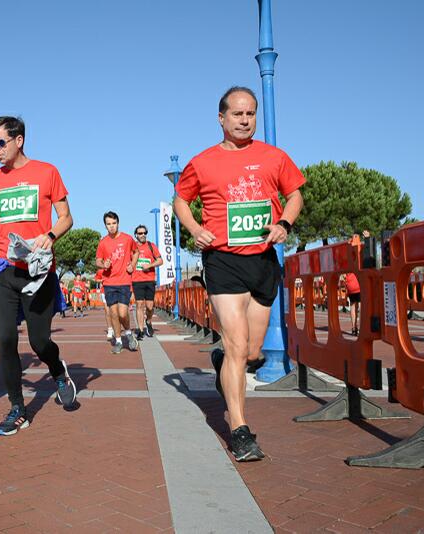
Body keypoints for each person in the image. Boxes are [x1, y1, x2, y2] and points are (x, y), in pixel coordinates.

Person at [173, 86, 305, 461]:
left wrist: (284, 223)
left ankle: (222, 366)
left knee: (250, 351)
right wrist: (196, 229)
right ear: (222, 118)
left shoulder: (274, 157)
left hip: (262, 261)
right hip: (223, 260)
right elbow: (181, 200)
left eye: (251, 114)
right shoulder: (202, 162)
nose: (245, 121)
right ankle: (240, 429)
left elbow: (295, 194)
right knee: (235, 343)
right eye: (237, 114)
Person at [0, 115, 77, 436]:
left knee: (39, 341)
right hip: (5, 270)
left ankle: (58, 370)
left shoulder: (47, 172)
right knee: (5, 339)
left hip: (38, 271)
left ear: (19, 141)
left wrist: (50, 235)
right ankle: (18, 408)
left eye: (1, 142)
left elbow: (66, 218)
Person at [96, 211, 139, 354]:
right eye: (108, 224)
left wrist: (132, 264)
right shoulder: (103, 242)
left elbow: (136, 252)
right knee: (113, 314)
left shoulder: (127, 239)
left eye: (114, 223)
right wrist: (104, 265)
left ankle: (128, 333)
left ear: (118, 223)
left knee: (122, 313)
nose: (112, 226)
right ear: (105, 226)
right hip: (109, 282)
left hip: (124, 281)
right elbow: (97, 261)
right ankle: (119, 341)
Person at [132, 224, 163, 339]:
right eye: (140, 233)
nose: (143, 235)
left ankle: (148, 321)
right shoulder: (132, 247)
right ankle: (140, 330)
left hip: (149, 280)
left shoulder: (151, 246)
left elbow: (160, 261)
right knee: (139, 305)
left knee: (150, 307)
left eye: (144, 233)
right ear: (136, 235)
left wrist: (149, 265)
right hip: (137, 280)